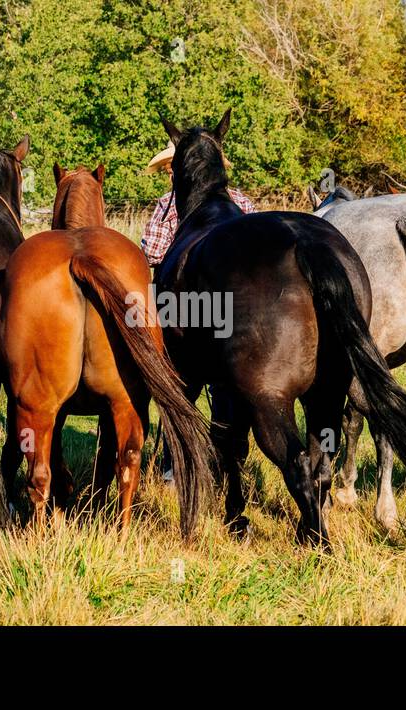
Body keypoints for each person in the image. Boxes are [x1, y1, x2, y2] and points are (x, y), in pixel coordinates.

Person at [140, 141, 256, 483]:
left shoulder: (167, 206)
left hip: (182, 307)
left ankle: (174, 462)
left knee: (179, 382)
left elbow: (152, 254)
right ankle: (229, 461)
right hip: (235, 308)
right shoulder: (241, 202)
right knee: (228, 387)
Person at [140, 141, 256, 267]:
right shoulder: (240, 200)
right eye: (169, 173)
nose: (171, 178)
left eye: (173, 172)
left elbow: (152, 253)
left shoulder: (170, 202)